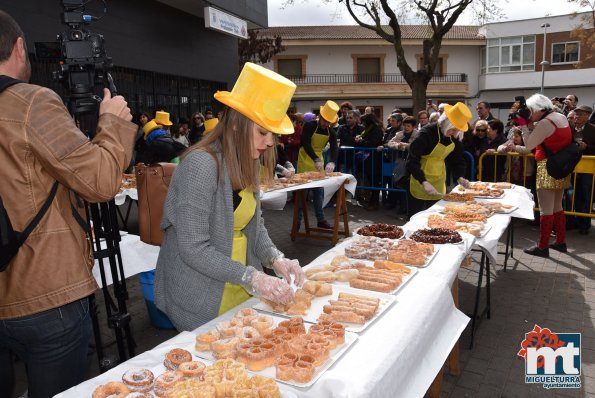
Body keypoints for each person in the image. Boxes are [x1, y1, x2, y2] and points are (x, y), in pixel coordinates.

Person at [0, 10, 136, 398]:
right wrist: (111, 122)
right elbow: (99, 181)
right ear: (19, 47)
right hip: (45, 294)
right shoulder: (30, 103)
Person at [154, 62, 304, 331]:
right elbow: (193, 248)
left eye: (273, 134)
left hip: (238, 284)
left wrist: (275, 258)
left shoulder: (250, 161)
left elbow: (254, 227)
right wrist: (252, 277)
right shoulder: (201, 165)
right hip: (200, 292)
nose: (270, 142)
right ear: (236, 125)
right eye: (262, 132)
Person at [518, 94, 573, 257]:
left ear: (540, 109)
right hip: (561, 166)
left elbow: (528, 146)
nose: (529, 114)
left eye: (531, 111)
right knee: (558, 207)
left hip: (547, 167)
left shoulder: (545, 122)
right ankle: (561, 242)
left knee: (545, 210)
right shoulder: (560, 117)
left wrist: (523, 124)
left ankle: (543, 247)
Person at [406, 102, 472, 219]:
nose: (455, 133)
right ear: (446, 123)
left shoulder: (454, 139)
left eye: (457, 130)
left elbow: (457, 160)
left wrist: (460, 177)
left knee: (435, 218)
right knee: (415, 217)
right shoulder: (425, 134)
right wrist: (424, 182)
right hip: (418, 180)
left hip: (438, 180)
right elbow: (412, 160)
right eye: (453, 129)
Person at [296, 100, 339, 229]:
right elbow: (305, 143)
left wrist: (332, 161)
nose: (326, 124)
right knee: (302, 194)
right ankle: (297, 222)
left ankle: (320, 220)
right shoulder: (309, 126)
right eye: (325, 121)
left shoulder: (331, 132)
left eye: (329, 122)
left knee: (319, 192)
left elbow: (335, 148)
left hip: (319, 162)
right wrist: (315, 158)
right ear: (320, 117)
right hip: (305, 159)